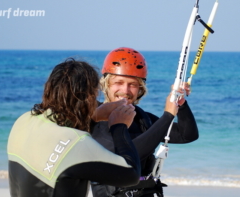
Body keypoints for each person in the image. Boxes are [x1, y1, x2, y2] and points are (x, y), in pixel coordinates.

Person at [7, 58, 141, 197]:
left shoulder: (23, 120)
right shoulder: (77, 142)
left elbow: (58, 137)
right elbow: (131, 174)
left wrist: (93, 117)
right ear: (89, 97)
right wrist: (119, 126)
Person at [91, 47, 199, 197]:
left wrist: (181, 104)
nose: (125, 90)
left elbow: (186, 135)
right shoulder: (95, 119)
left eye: (133, 84)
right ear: (106, 84)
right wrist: (167, 115)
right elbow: (124, 159)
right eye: (118, 82)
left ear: (140, 89)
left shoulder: (143, 118)